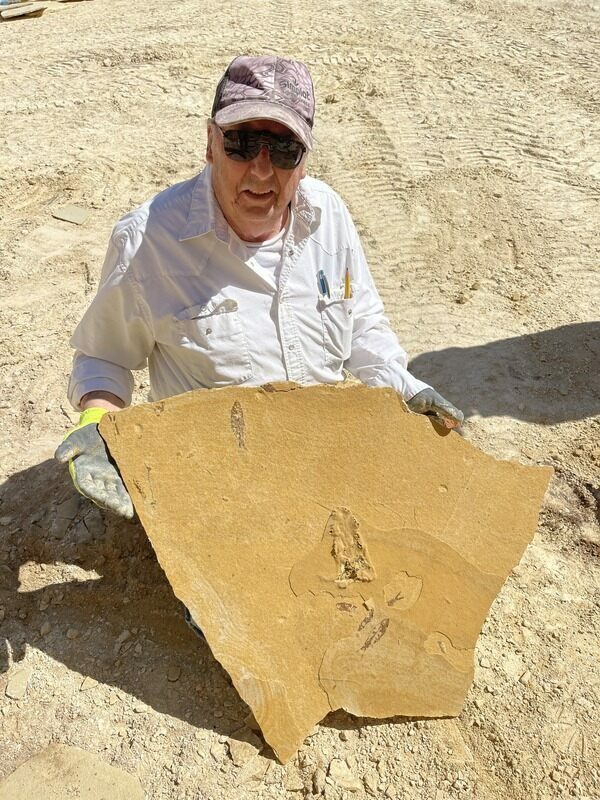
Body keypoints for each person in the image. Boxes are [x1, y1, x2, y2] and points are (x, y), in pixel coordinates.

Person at [55, 55, 464, 520]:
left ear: (305, 160)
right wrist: (99, 423)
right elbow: (104, 355)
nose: (262, 171)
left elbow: (362, 322)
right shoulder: (148, 240)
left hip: (320, 469)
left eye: (284, 149)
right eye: (242, 143)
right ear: (211, 142)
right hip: (211, 485)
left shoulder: (330, 217)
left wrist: (403, 388)